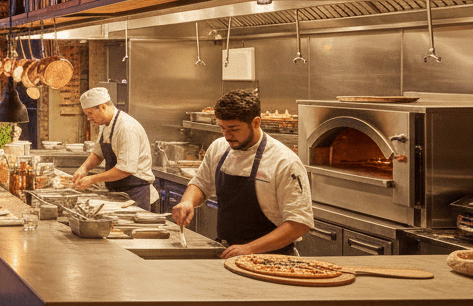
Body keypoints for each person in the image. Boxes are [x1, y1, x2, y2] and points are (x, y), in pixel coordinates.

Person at [171, 89, 313, 258]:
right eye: (222, 128)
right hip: (229, 253)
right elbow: (201, 184)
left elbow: (299, 223)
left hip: (273, 258)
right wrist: (188, 202)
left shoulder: (284, 162)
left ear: (256, 122)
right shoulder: (218, 147)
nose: (227, 135)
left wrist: (250, 248)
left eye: (234, 129)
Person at [71, 87, 158, 209]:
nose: (88, 119)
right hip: (118, 192)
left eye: (90, 114)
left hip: (135, 194)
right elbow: (98, 153)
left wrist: (92, 179)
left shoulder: (127, 128)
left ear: (102, 107)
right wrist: (84, 168)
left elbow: (125, 169)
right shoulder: (106, 125)